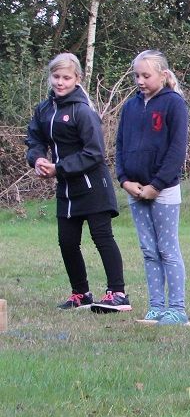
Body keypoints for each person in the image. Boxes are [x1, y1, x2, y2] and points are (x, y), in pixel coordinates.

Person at [25, 53, 131, 314]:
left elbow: (95, 152)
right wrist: (37, 159)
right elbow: (34, 138)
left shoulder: (83, 111)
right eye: (56, 77)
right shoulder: (44, 109)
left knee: (102, 237)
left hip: (93, 185)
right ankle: (80, 294)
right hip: (66, 188)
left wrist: (58, 168)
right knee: (67, 241)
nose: (60, 82)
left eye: (66, 78)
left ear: (77, 79)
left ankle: (118, 293)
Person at [116, 50, 190, 325]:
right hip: (134, 190)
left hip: (164, 191)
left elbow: (177, 150)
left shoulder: (175, 105)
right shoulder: (130, 107)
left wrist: (156, 185)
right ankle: (156, 306)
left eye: (146, 75)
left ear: (163, 74)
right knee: (149, 250)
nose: (140, 80)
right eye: (137, 75)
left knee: (168, 249)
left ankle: (177, 309)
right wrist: (124, 180)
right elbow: (120, 146)